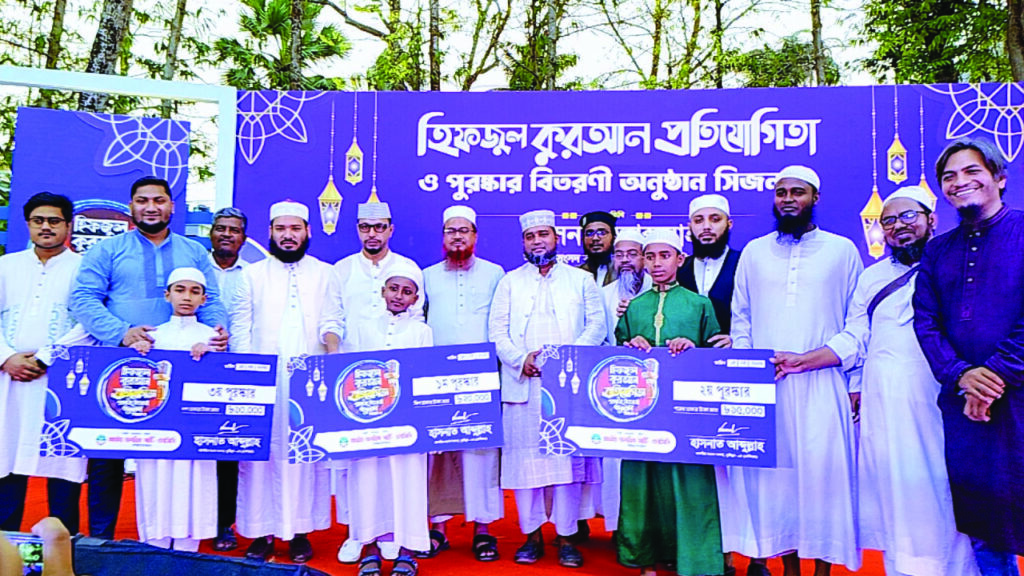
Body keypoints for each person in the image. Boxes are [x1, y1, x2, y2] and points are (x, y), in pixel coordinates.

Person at [776, 186, 980, 576]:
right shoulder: (872, 278)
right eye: (889, 221)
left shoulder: (956, 268)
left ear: (931, 220)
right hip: (885, 400)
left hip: (942, 396)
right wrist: (807, 360)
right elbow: (856, 337)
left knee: (942, 487)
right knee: (896, 489)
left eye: (909, 216)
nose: (899, 226)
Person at [716, 166, 861, 576]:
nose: (788, 199)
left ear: (815, 198)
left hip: (822, 383)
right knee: (775, 484)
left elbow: (858, 322)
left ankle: (822, 572)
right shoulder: (755, 252)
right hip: (768, 386)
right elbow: (741, 319)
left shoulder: (842, 251)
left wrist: (814, 358)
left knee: (822, 479)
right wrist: (752, 366)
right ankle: (789, 569)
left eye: (798, 192)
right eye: (781, 192)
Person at [70, 176, 228, 539]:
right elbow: (83, 298)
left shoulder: (193, 251)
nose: (151, 207)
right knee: (108, 455)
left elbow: (213, 300)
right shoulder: (107, 250)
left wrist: (216, 333)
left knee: (183, 450)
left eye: (159, 200)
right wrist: (121, 332)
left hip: (184, 366)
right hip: (121, 364)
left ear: (172, 206)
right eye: (143, 200)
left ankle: (189, 532)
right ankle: (101, 541)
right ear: (131, 206)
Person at [914, 138, 1024, 576]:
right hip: (965, 409)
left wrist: (992, 376)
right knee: (985, 520)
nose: (959, 182)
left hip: (1017, 398)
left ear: (999, 177)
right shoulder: (937, 249)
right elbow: (926, 321)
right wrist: (961, 375)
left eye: (971, 171)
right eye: (949, 176)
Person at [488, 209, 605, 569]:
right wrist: (520, 359)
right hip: (523, 386)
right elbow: (497, 331)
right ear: (523, 243)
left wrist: (567, 360)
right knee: (526, 466)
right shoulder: (509, 282)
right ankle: (531, 536)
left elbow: (597, 325)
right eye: (530, 236)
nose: (537, 241)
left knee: (567, 467)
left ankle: (567, 537)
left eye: (543, 234)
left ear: (557, 238)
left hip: (567, 387)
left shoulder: (581, 280)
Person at [615, 228, 725, 576]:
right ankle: (645, 559)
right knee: (642, 484)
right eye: (650, 256)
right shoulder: (634, 306)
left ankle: (694, 561)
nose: (657, 263)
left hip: (686, 416)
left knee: (690, 484)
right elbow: (615, 358)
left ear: (680, 259)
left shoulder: (699, 304)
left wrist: (694, 349)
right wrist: (630, 346)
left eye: (665, 256)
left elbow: (717, 357)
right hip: (642, 414)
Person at [230, 200, 332, 563]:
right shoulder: (251, 275)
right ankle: (261, 532)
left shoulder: (325, 274)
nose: (288, 236)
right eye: (281, 229)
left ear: (307, 232)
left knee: (304, 456)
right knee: (261, 458)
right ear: (270, 233)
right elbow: (240, 328)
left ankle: (300, 531)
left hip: (309, 382)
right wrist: (248, 377)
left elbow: (333, 321)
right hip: (264, 381)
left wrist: (330, 359)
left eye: (295, 229)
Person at [421, 206, 505, 562]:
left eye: (464, 230)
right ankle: (438, 529)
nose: (457, 237)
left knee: (481, 454)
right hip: (436, 376)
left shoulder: (494, 274)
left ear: (475, 236)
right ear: (443, 237)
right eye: (450, 231)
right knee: (439, 456)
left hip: (482, 375)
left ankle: (483, 530)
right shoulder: (426, 276)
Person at [0, 193, 87, 534]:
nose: (46, 227)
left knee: (62, 470)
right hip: (9, 380)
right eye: (38, 221)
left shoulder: (84, 269)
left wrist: (46, 356)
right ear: (28, 225)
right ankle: (5, 551)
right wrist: (6, 357)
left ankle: (61, 553)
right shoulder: (6, 266)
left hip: (60, 380)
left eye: (54, 221)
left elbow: (89, 323)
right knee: (6, 462)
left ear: (69, 225)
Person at [346, 264, 433, 576]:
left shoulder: (422, 332)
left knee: (409, 484)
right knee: (367, 482)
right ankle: (369, 550)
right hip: (366, 421)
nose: (399, 296)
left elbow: (425, 375)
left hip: (408, 424)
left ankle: (407, 552)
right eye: (393, 288)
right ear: (382, 291)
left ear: (415, 299)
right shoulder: (362, 327)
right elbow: (349, 372)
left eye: (407, 292)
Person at [128, 267, 219, 551]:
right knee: (155, 483)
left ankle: (187, 549)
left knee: (194, 485)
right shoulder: (152, 335)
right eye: (180, 290)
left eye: (194, 291)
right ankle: (154, 547)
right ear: (167, 295)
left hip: (195, 431)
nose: (186, 297)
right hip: (156, 430)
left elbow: (221, 383)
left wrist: (211, 356)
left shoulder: (212, 337)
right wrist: (139, 353)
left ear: (204, 299)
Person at [593, 228, 651, 535]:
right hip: (616, 388)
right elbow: (599, 338)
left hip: (654, 388)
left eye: (632, 254)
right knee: (616, 461)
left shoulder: (660, 292)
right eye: (619, 254)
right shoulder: (602, 294)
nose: (625, 260)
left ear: (644, 258)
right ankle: (620, 529)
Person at [321, 195, 422, 353]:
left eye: (379, 227)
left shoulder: (408, 267)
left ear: (390, 230)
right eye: (365, 227)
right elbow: (331, 320)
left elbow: (416, 317)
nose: (372, 234)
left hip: (398, 359)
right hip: (351, 357)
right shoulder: (342, 268)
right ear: (358, 229)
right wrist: (334, 355)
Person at [207, 206, 248, 551]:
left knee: (226, 451)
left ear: (244, 238)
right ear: (211, 232)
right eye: (221, 228)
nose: (226, 235)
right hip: (193, 367)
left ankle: (223, 523)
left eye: (234, 230)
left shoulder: (252, 275)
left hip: (233, 373)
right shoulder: (195, 269)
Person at [678, 194, 742, 337]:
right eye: (698, 221)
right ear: (690, 226)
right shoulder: (680, 269)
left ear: (729, 224)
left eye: (715, 219)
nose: (706, 227)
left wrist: (736, 339)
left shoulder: (743, 263)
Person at [578, 211, 618, 287]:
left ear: (614, 238)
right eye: (589, 233)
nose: (595, 238)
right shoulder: (575, 274)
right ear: (582, 239)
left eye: (602, 233)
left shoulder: (623, 273)